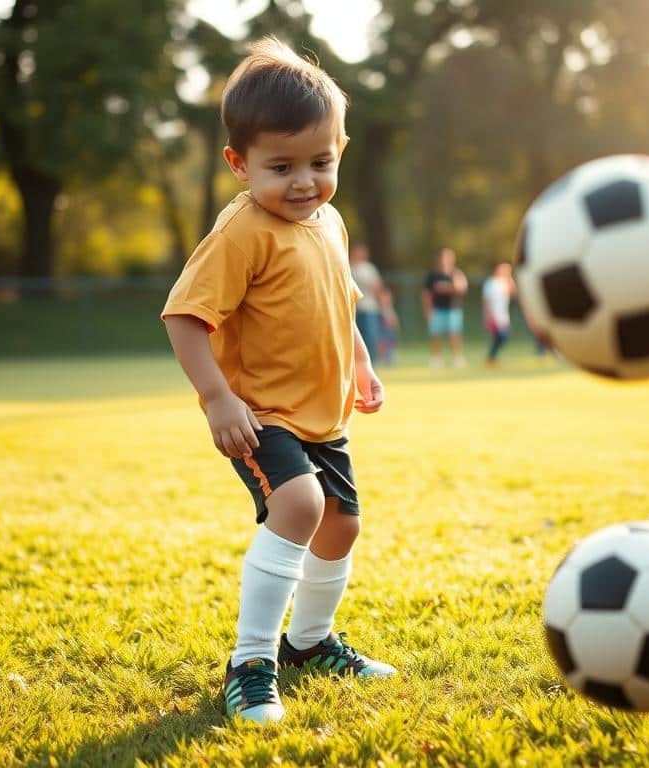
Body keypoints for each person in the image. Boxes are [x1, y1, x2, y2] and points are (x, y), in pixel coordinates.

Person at [160, 37, 395, 726]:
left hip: (326, 415)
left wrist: (361, 362)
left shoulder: (329, 223)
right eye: (281, 166)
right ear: (239, 164)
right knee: (298, 506)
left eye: (320, 163)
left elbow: (339, 302)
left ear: (340, 149)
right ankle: (251, 663)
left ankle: (310, 644)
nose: (303, 182)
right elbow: (184, 316)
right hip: (262, 414)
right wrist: (217, 399)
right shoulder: (242, 231)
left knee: (342, 527)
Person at [423, 247, 468, 368]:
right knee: (436, 334)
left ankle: (456, 358)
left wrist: (446, 287)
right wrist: (427, 310)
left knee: (454, 334)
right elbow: (427, 294)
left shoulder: (456, 273)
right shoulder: (433, 275)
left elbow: (461, 288)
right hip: (437, 310)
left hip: (453, 309)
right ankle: (436, 359)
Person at [349, 243, 384, 363]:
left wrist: (383, 305)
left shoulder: (368, 268)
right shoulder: (348, 266)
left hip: (368, 307)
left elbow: (376, 286)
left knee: (370, 336)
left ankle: (372, 361)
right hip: (353, 308)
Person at [482, 261, 515, 367]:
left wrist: (509, 278)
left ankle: (491, 358)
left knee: (503, 337)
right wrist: (488, 315)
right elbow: (486, 300)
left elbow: (513, 293)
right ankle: (491, 358)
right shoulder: (490, 283)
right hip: (494, 316)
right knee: (500, 337)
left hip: (503, 315)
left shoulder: (504, 282)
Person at [377, 286, 400, 366]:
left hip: (390, 332)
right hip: (382, 331)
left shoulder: (390, 309)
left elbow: (395, 322)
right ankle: (382, 360)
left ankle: (390, 359)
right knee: (382, 345)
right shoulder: (379, 309)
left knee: (390, 345)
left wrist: (394, 326)